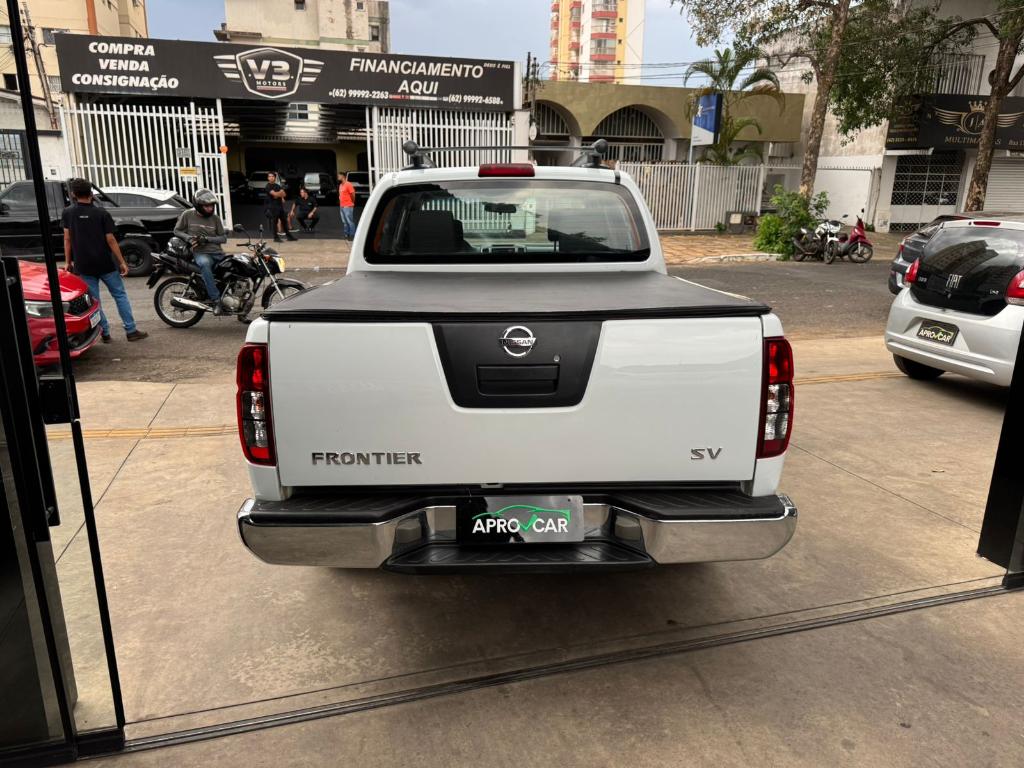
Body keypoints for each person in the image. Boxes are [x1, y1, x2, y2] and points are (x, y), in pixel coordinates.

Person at [61, 178, 148, 342]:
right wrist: (122, 262)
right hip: (105, 263)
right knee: (120, 295)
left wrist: (68, 262)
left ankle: (105, 333)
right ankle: (131, 330)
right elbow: (111, 240)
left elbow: (67, 239)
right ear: (91, 193)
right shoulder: (101, 213)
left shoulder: (68, 213)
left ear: (73, 194)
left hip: (83, 265)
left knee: (94, 301)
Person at [174, 189, 229, 311]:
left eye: (212, 206)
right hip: (200, 253)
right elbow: (177, 231)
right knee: (205, 264)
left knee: (235, 267)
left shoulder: (215, 218)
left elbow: (223, 238)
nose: (210, 208)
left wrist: (207, 239)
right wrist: (188, 238)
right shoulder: (187, 215)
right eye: (207, 206)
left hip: (217, 253)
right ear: (198, 205)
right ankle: (216, 300)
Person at [264, 172, 296, 243]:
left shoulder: (277, 185)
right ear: (268, 178)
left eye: (272, 176)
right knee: (275, 222)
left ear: (275, 178)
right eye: (270, 176)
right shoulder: (268, 186)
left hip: (280, 206)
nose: (271, 177)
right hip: (272, 207)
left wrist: (277, 194)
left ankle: (289, 237)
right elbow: (274, 194)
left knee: (284, 222)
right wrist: (279, 194)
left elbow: (284, 194)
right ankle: (276, 238)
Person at [338, 171, 356, 240]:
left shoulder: (348, 184)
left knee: (349, 221)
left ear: (343, 176)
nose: (338, 177)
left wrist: (352, 202)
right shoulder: (340, 185)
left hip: (348, 206)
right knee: (344, 222)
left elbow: (353, 194)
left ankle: (352, 235)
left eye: (339, 176)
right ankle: (346, 234)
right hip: (342, 206)